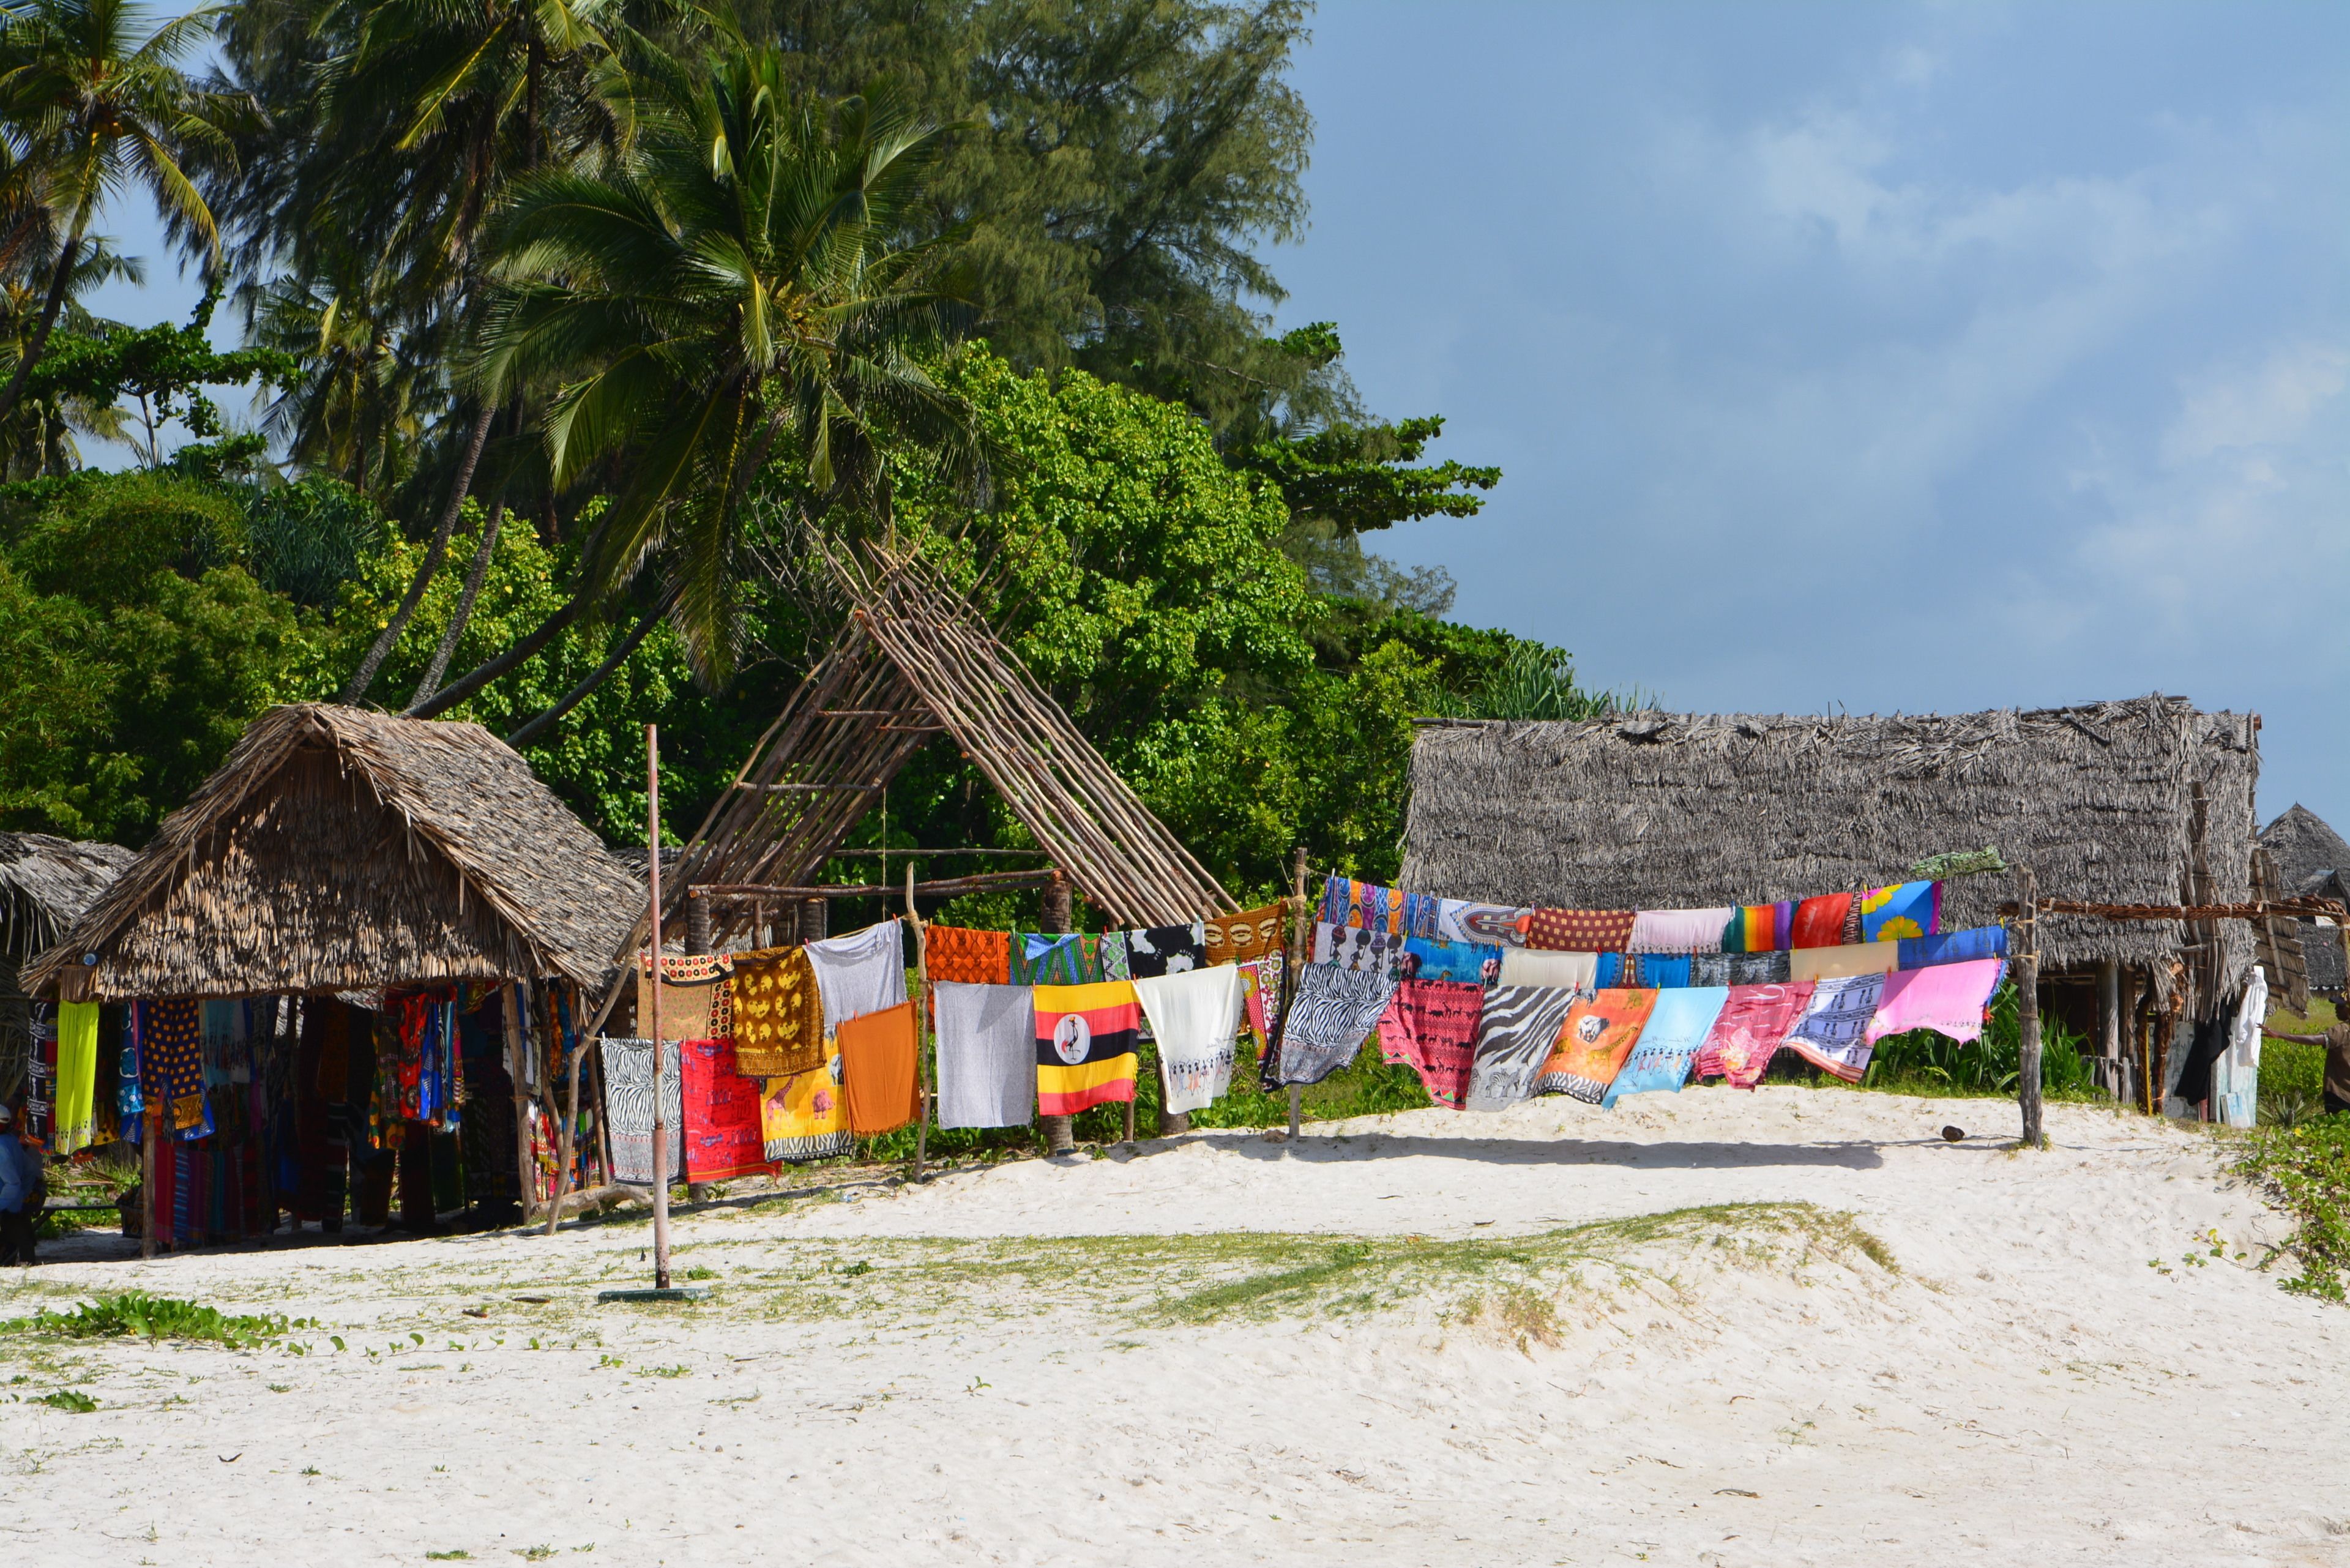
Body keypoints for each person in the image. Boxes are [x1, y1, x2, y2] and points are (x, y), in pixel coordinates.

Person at [2264, 1004, 2350, 1117]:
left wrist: (2281, 1035)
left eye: (2340, 1006)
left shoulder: (2342, 1030)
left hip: (2340, 1094)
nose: (2336, 1009)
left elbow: (2316, 1040)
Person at [0, 1102, 42, 1265]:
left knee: (14, 1235)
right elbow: (31, 1171)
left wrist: (3, 1203)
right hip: (16, 1204)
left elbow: (12, 1183)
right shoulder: (12, 1142)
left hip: (7, 1205)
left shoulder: (1, 1148)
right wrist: (22, 1196)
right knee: (22, 1236)